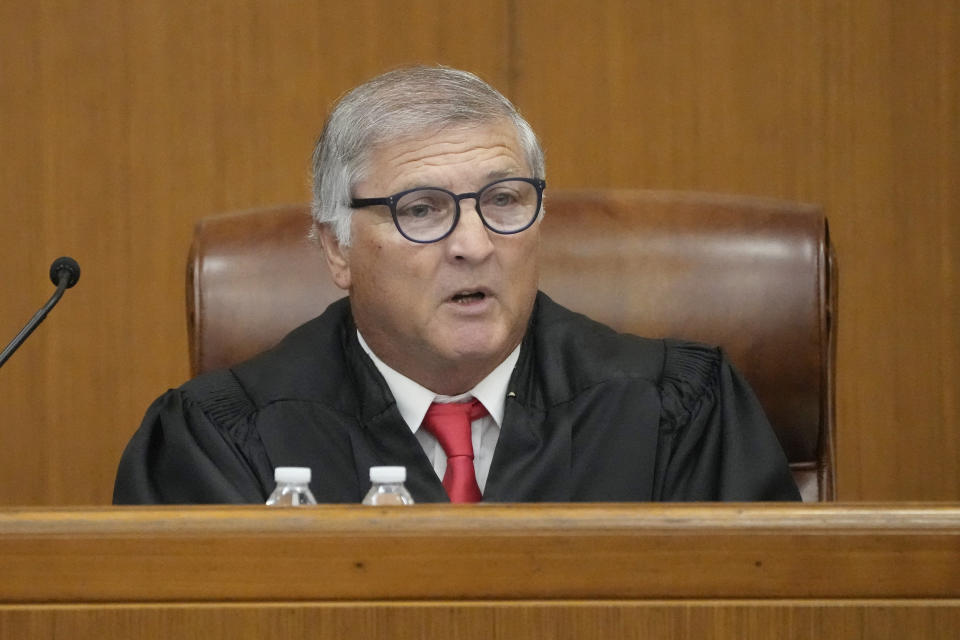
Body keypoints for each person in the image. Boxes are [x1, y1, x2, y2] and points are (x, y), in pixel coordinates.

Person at [113, 66, 800, 504]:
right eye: (420, 210)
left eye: (503, 200)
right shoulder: (219, 442)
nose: (473, 245)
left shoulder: (676, 412)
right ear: (337, 247)